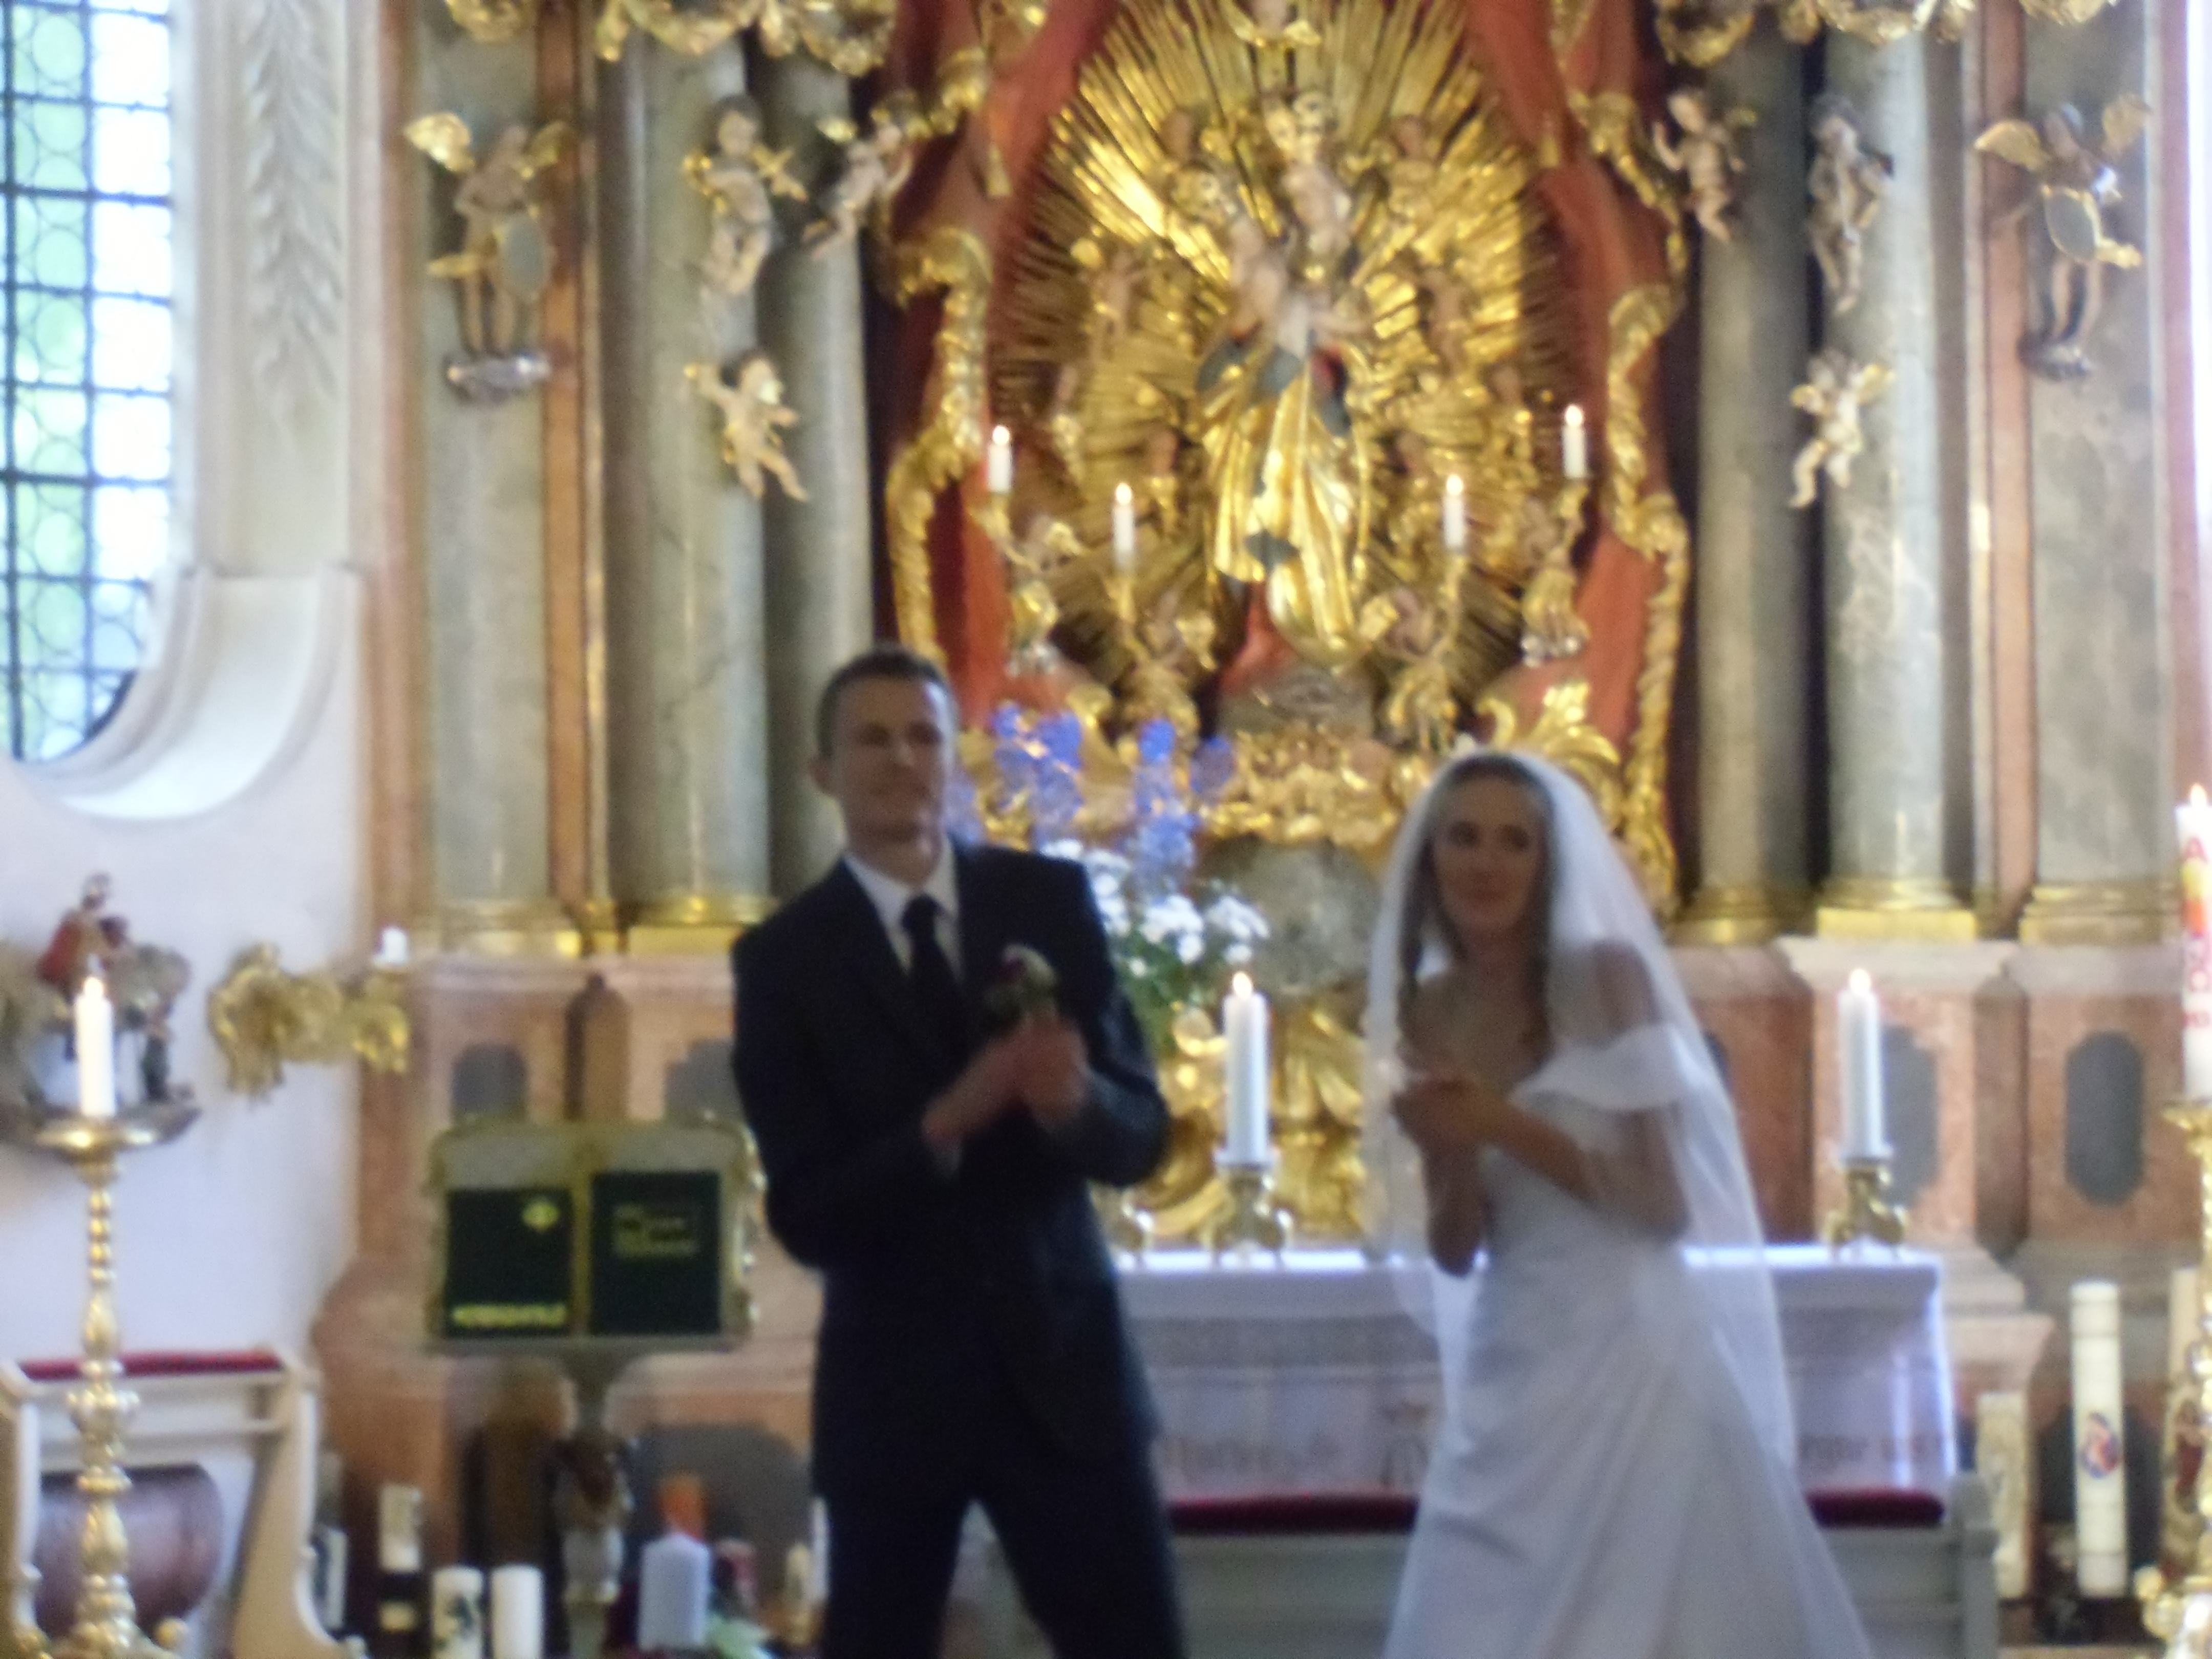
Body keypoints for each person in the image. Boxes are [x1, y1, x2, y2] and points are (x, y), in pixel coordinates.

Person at [1365, 750, 1874, 1659]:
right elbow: (1455, 1248)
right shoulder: (1430, 1012)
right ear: (1431, 858)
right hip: (1517, 1343)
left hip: (1633, 1348)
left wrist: (1501, 1124)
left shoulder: (1607, 979)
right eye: (1465, 838)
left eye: (1514, 842)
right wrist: (1449, 1151)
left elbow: (1662, 1203)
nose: (1487, 864)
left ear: (1546, 862)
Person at [733, 646, 1186, 1659]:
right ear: (823, 772)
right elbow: (807, 1215)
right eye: (873, 739)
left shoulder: (1047, 905)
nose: (902, 759)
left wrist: (1077, 1105)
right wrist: (942, 1124)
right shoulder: (785, 963)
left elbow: (1142, 1135)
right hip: (897, 1389)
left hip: (1061, 1371)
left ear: (953, 758)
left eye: (923, 736)